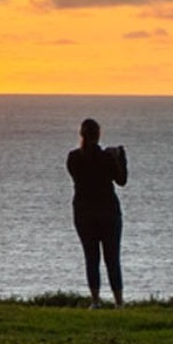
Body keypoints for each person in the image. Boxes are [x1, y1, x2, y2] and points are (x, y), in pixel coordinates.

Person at [66, 117, 128, 308]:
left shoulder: (74, 158)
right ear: (98, 135)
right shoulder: (107, 157)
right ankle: (119, 303)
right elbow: (122, 180)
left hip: (84, 213)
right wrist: (120, 157)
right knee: (112, 258)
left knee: (91, 258)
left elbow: (79, 175)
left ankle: (95, 301)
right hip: (109, 213)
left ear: (81, 135)